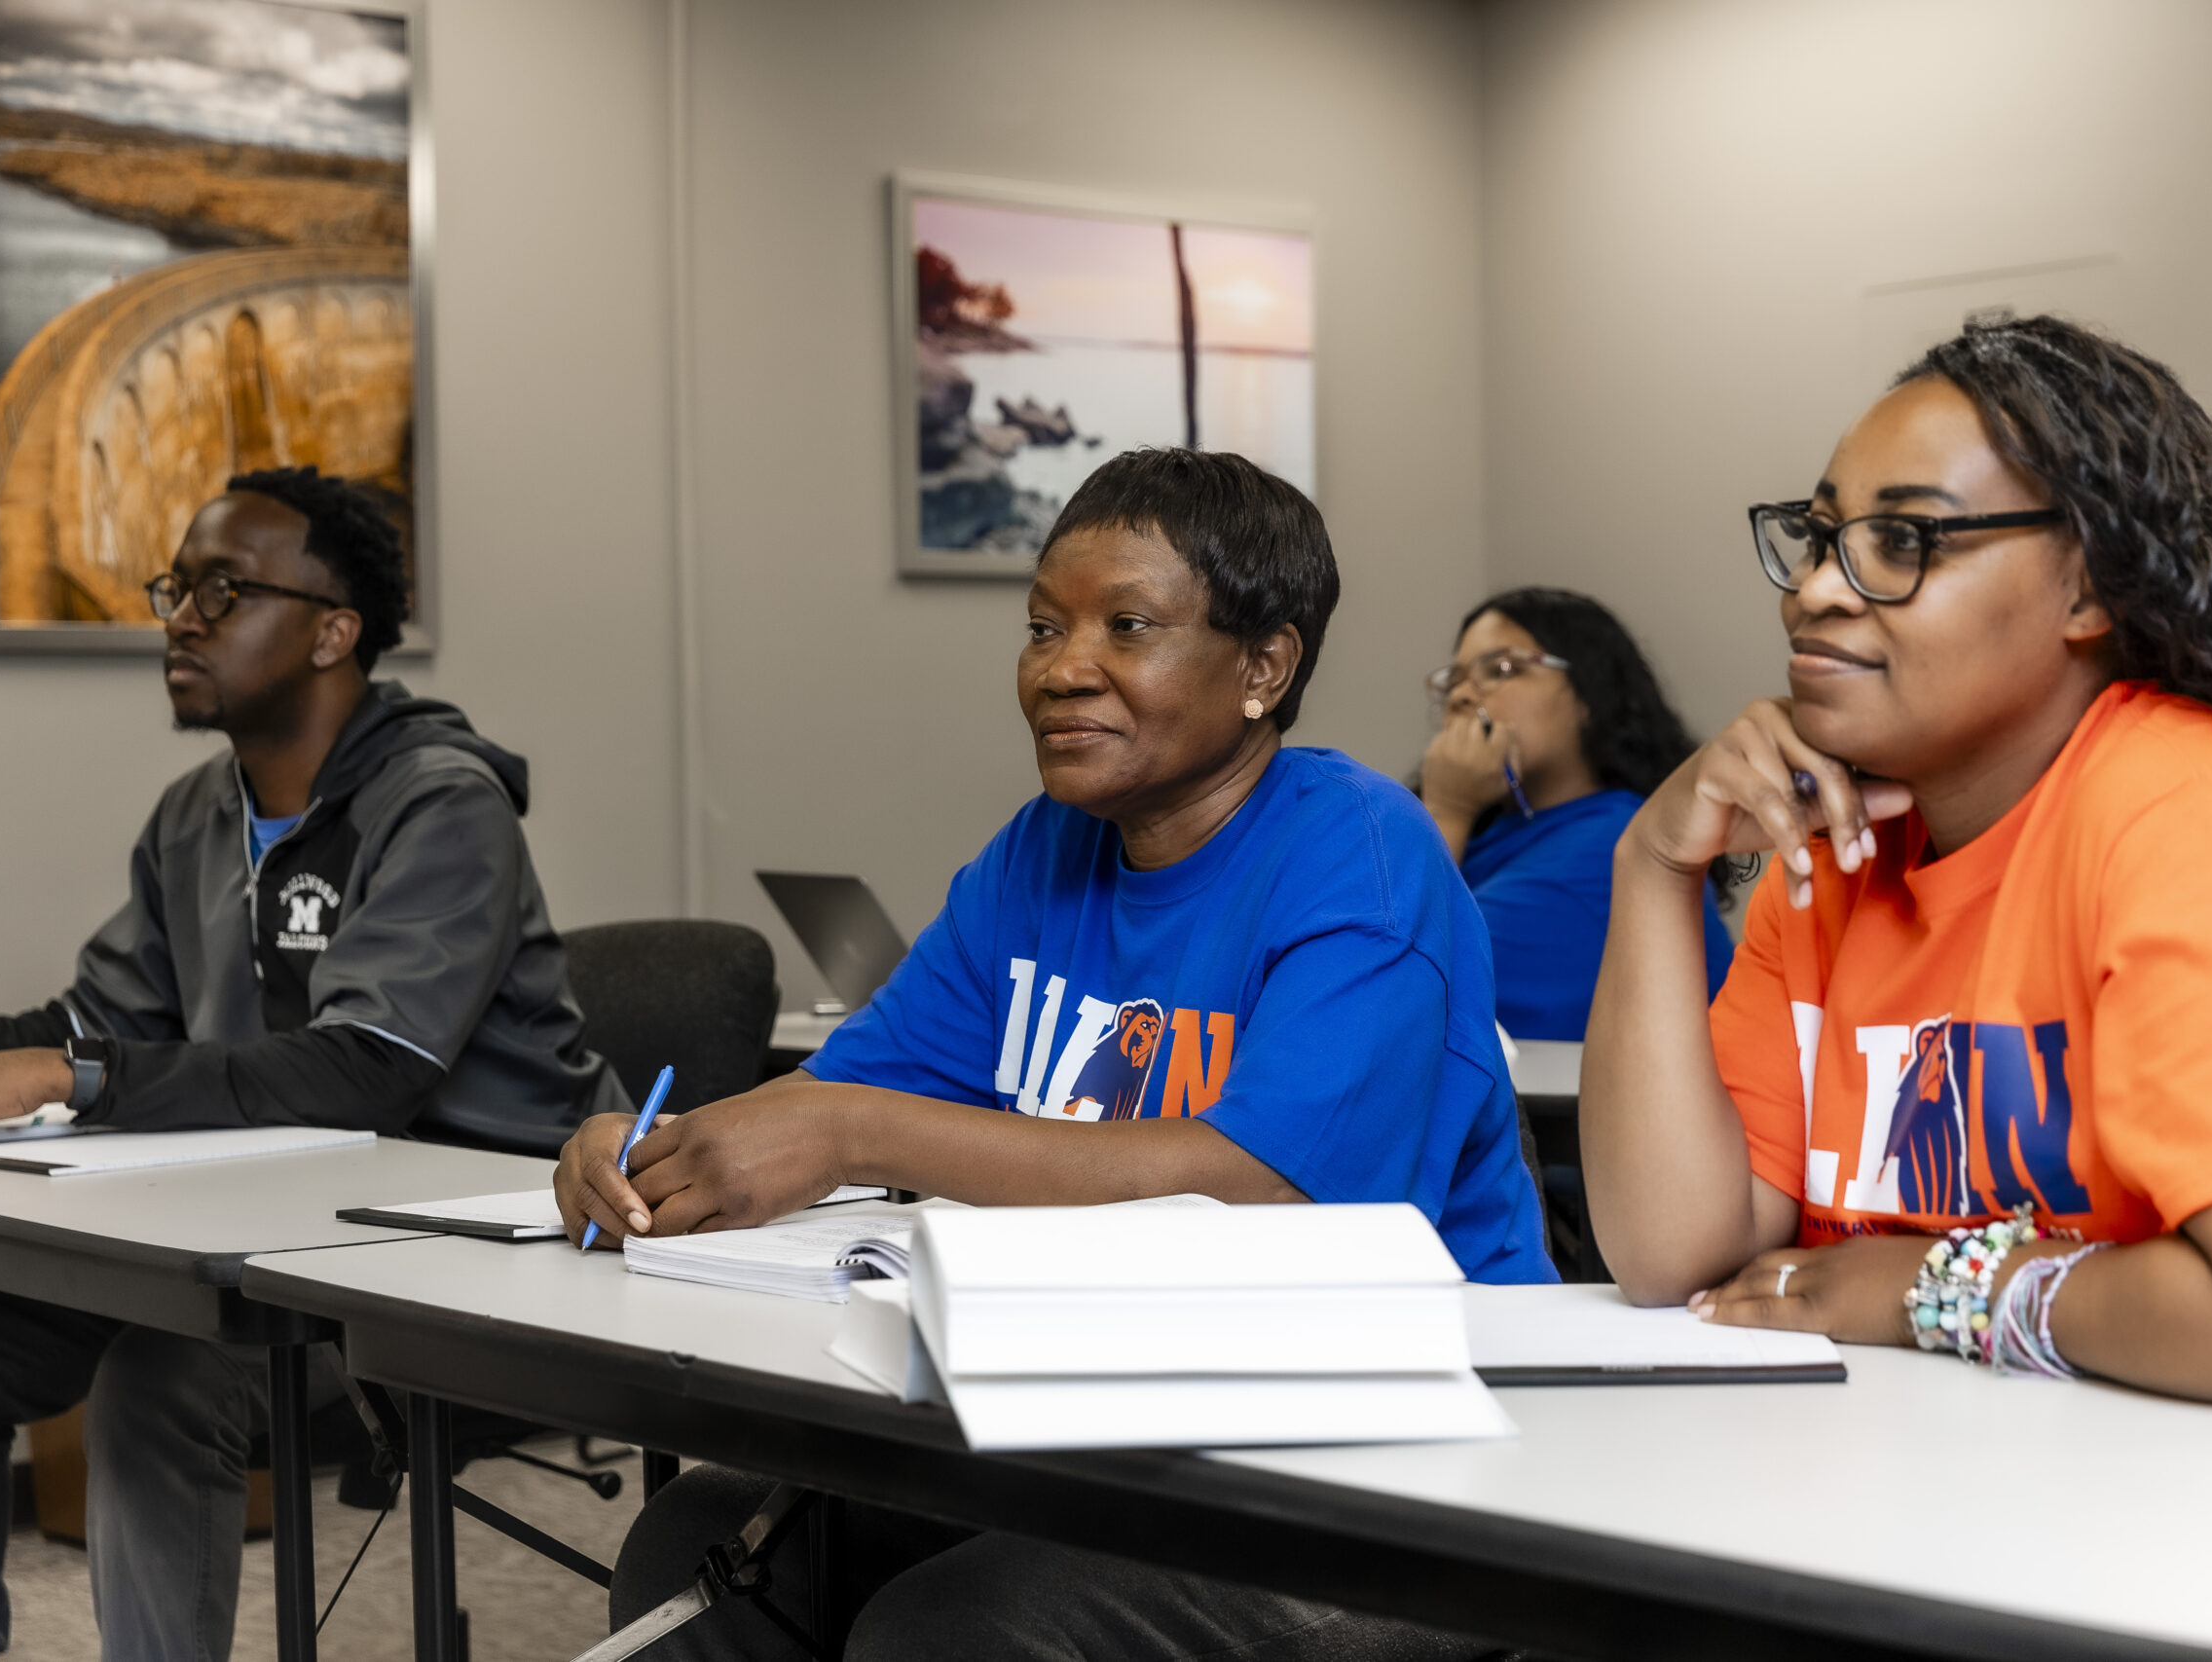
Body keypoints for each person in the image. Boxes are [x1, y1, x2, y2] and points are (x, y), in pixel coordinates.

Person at [571, 447, 1552, 1661]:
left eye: (1125, 626)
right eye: (1042, 625)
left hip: (1400, 1459)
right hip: (1113, 1419)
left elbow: (1263, 1187)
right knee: (700, 1543)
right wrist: (657, 1152)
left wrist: (851, 1132)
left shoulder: (1361, 856)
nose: (1060, 668)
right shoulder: (1040, 851)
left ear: (1264, 666)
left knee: (966, 1630)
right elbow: (841, 1091)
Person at [1582, 314, 2212, 1414]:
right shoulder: (1837, 844)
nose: (1816, 589)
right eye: (1819, 535)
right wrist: (1651, 863)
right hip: (1940, 1504)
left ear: (2087, 591)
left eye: (1904, 542)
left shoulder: (2185, 820)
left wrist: (1934, 1289)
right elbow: (1670, 1255)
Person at [0, 467, 626, 1662]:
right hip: (249, 1238)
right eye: (176, 589)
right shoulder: (195, 814)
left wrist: (69, 1077)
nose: (182, 619)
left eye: (224, 590)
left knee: (167, 1376)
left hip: (471, 1250)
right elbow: (90, 1017)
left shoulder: (442, 805)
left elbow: (366, 1068)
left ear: (333, 631)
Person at [1419, 587, 1734, 1039]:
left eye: (1502, 668)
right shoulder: (1493, 833)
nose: (1462, 697)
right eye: (1455, 680)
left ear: (1590, 695)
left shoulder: (1617, 844)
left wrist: (1446, 810)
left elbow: (1391, 985)